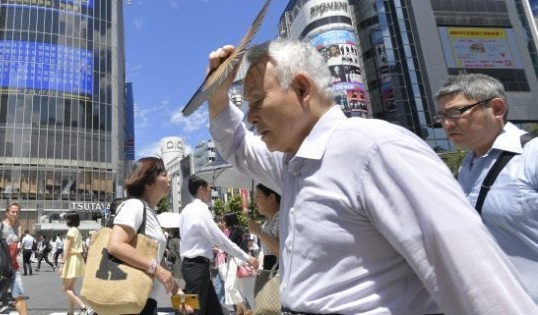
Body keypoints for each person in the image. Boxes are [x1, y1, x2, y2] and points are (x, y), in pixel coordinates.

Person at [204, 39, 537, 314]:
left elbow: (471, 275)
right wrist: (218, 96)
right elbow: (238, 147)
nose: (250, 117)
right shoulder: (294, 163)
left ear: (302, 88)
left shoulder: (375, 149)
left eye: (258, 101)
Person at [435, 73, 538, 302]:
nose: (447, 124)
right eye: (442, 116)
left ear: (497, 109)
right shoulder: (466, 168)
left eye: (456, 112)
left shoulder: (532, 155)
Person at [107, 157, 187, 315]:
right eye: (164, 174)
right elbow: (115, 245)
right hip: (130, 300)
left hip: (145, 301)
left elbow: (158, 261)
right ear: (148, 182)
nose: (169, 178)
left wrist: (180, 297)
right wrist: (156, 269)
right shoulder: (134, 206)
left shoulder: (150, 213)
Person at [179, 175, 258, 315]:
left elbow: (191, 240)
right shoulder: (201, 210)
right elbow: (221, 240)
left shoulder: (186, 210)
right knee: (191, 311)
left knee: (213, 310)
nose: (211, 189)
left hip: (193, 267)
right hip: (197, 268)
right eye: (210, 187)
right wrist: (247, 258)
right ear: (201, 189)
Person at [0, 201, 28, 315]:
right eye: (13, 212)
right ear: (6, 213)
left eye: (17, 212)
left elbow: (14, 248)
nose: (15, 214)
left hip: (14, 268)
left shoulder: (16, 227)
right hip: (1, 270)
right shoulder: (0, 226)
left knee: (19, 295)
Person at [60, 211, 91, 315]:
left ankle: (84, 307)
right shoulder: (77, 231)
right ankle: (71, 312)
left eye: (66, 219)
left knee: (65, 288)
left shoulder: (71, 231)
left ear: (69, 220)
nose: (65, 221)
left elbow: (67, 249)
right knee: (70, 288)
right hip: (77, 259)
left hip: (71, 259)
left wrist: (62, 264)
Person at [247, 184, 280, 270]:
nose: (255, 201)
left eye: (257, 196)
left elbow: (283, 252)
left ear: (272, 197)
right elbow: (264, 251)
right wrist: (260, 265)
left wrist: (259, 232)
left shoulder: (283, 218)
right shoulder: (266, 223)